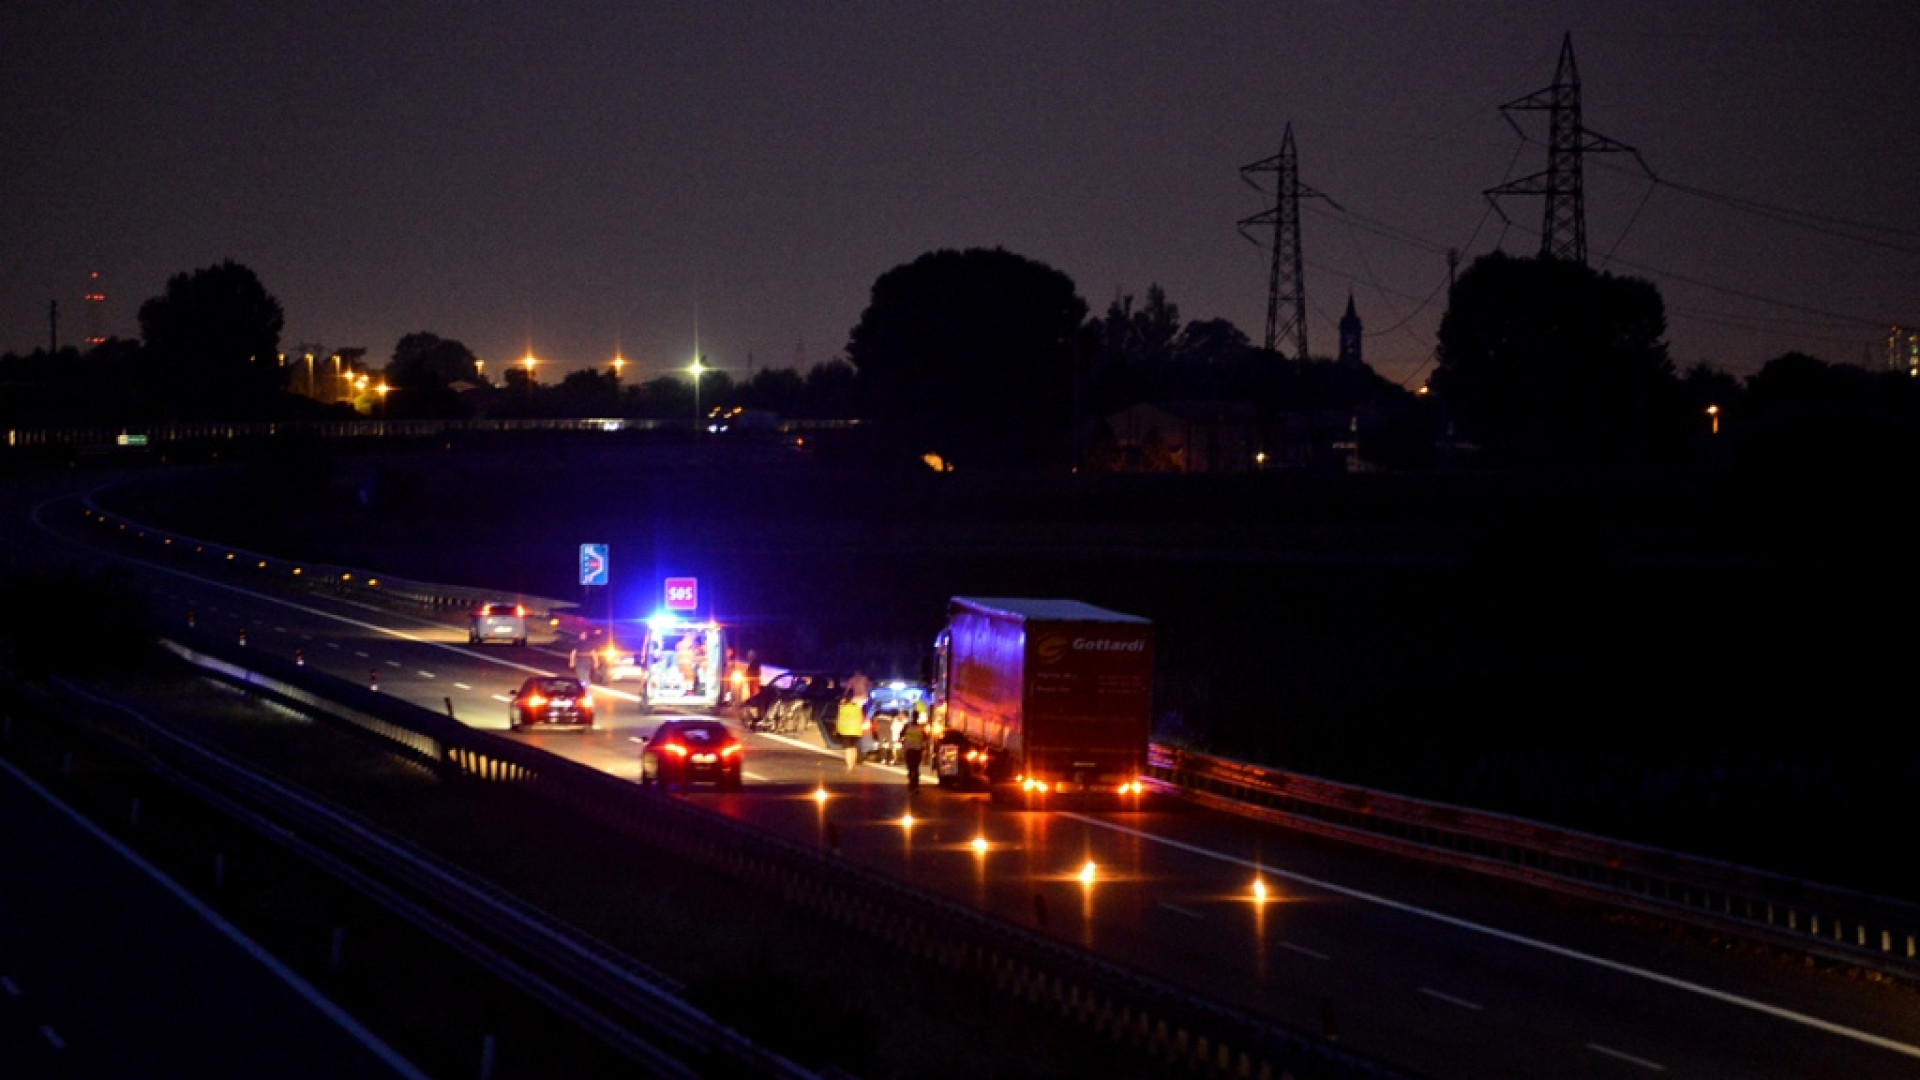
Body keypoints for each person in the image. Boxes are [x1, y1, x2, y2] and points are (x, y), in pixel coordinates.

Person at [834, 688, 866, 770]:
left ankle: (849, 767)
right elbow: (861, 719)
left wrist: (836, 730)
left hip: (846, 731)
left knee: (848, 749)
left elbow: (838, 720)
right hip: (856, 731)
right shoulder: (858, 708)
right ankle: (853, 764)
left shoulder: (842, 708)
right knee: (853, 748)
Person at [899, 715, 929, 792]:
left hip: (909, 749)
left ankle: (912, 782)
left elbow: (901, 735)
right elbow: (925, 738)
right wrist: (923, 747)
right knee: (915, 767)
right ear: (918, 718)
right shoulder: (920, 728)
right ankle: (916, 784)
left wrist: (902, 742)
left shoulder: (907, 726)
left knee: (911, 766)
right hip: (917, 749)